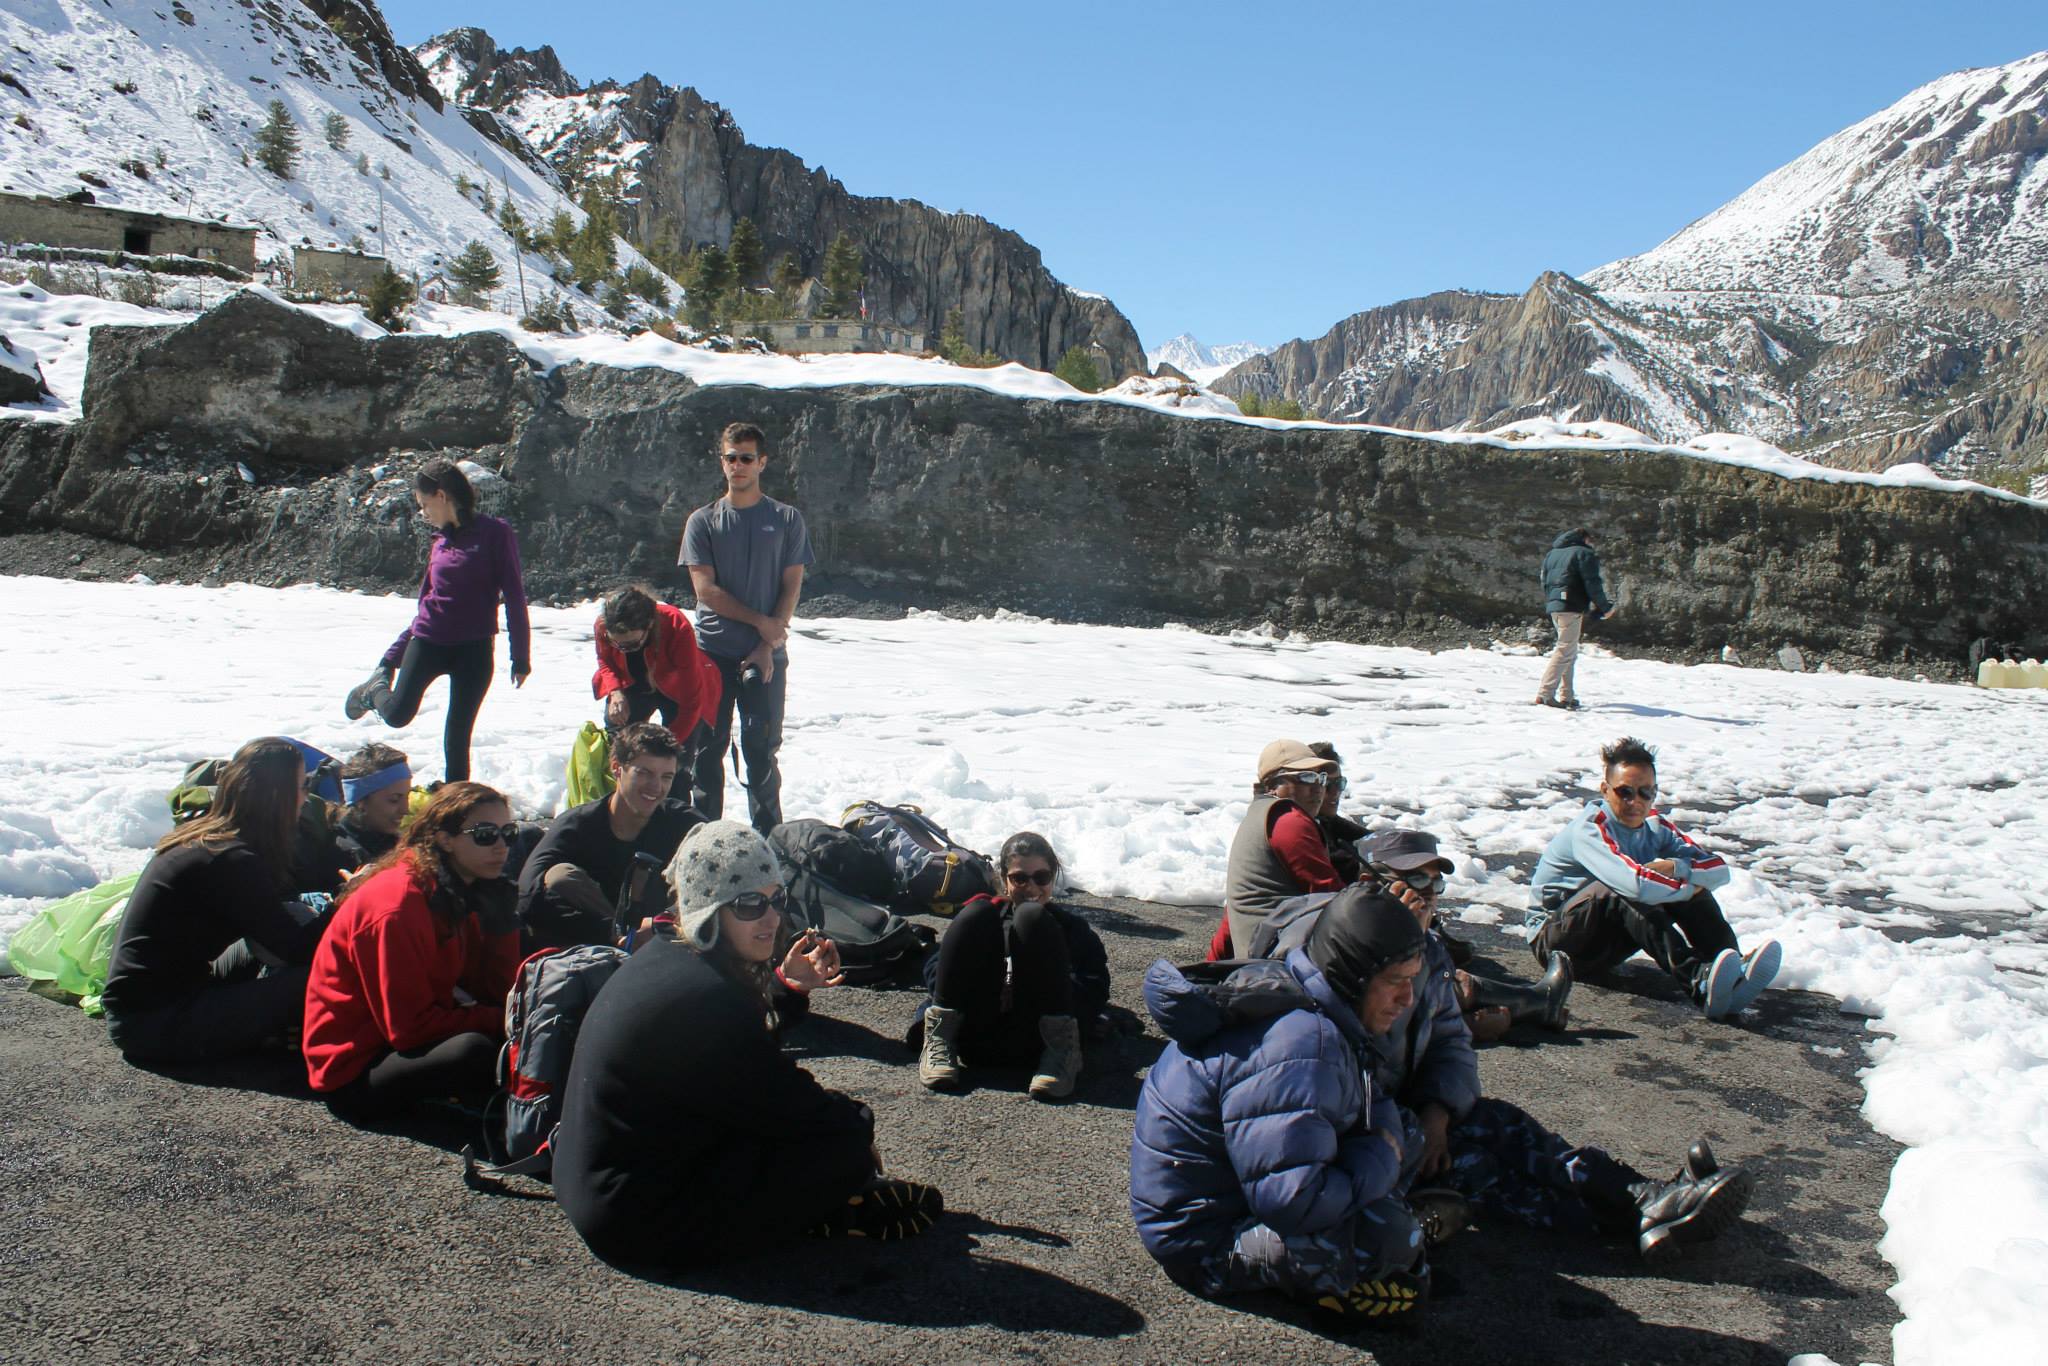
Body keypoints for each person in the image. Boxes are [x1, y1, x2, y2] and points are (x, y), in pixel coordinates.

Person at [552, 821, 942, 1270]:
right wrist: (857, 1126)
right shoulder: (706, 993)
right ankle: (820, 1208)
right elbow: (783, 1101)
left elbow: (739, 1062)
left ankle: (820, 1205)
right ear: (707, 909)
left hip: (594, 1181)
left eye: (777, 898)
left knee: (805, 1133)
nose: (772, 917)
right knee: (837, 1150)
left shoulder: (670, 956)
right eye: (750, 903)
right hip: (637, 1220)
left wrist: (787, 989)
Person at [1343, 867, 1757, 1267]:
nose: (1428, 893)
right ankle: (1644, 1210)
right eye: (1415, 880)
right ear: (1371, 885)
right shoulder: (1350, 957)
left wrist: (1436, 1112)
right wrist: (1415, 1132)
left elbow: (1449, 1042)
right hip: (1372, 1137)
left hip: (1408, 1111)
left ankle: (1645, 1198)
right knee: (1479, 1170)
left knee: (1501, 1124)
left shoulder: (1427, 952)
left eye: (1436, 880)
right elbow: (1362, 1064)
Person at [1131, 886, 1434, 1328]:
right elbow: (1292, 1202)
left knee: (1408, 1133)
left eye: (1413, 979)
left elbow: (1374, 1097)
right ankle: (1343, 1282)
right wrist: (1381, 1156)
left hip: (1245, 1190)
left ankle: (1371, 1258)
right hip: (1204, 1240)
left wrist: (1384, 1146)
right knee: (1389, 1234)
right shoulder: (1303, 1044)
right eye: (1395, 982)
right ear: (1354, 974)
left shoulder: (1323, 1007)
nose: (1408, 999)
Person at [102, 737, 332, 1065]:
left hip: (150, 1003)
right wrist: (348, 901)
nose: (305, 796)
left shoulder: (211, 840)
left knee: (269, 945)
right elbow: (297, 948)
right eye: (300, 786)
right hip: (153, 1021)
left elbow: (272, 923)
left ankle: (263, 1026)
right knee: (318, 976)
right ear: (276, 797)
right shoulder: (231, 860)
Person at [302, 781, 523, 1119]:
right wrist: (505, 1021)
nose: (501, 847)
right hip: (354, 1066)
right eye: (484, 834)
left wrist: (501, 929)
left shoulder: (458, 886)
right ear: (444, 839)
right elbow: (408, 1030)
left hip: (401, 1033)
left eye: (508, 833)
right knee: (475, 1050)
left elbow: (491, 989)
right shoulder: (398, 906)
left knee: (515, 1039)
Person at [1528, 736, 1782, 1019]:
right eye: (1624, 792)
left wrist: (1677, 868)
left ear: (1655, 792)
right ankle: (1696, 978)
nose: (1635, 801)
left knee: (1679, 881)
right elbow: (1633, 884)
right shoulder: (1590, 829)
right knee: (1626, 889)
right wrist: (1689, 888)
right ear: (1605, 790)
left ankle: (1729, 973)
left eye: (1645, 792)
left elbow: (1719, 870)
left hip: (1607, 944)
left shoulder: (1656, 826)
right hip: (1556, 946)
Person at [343, 458, 531, 782]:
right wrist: (391, 658)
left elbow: (514, 595)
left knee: (458, 737)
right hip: (430, 643)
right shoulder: (438, 543)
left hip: (474, 650)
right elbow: (425, 608)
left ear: (442, 496)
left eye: (424, 504)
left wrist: (520, 656)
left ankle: (455, 809)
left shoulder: (495, 533)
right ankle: (374, 689)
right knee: (398, 715)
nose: (423, 513)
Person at [678, 422, 814, 832]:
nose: (738, 466)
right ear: (722, 462)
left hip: (765, 655)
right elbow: (705, 591)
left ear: (762, 463)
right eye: (731, 458)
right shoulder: (702, 522)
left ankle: (771, 842)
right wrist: (764, 626)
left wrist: (765, 644)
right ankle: (704, 837)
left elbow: (792, 583)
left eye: (746, 458)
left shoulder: (786, 519)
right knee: (708, 750)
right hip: (712, 654)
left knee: (761, 749)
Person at [914, 832, 1111, 1101]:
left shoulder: (1071, 929)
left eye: (1041, 878)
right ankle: (939, 1040)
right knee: (976, 911)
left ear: (1052, 878)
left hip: (1039, 1039)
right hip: (975, 1032)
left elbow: (1095, 985)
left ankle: (1063, 1056)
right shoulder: (985, 919)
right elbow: (937, 969)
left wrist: (1028, 984)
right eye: (1019, 878)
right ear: (1004, 880)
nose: (1031, 887)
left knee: (1031, 916)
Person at [517, 723, 704, 951]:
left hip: (665, 942)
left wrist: (662, 923)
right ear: (616, 767)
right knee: (559, 876)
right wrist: (611, 931)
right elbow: (526, 895)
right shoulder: (577, 825)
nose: (656, 787)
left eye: (666, 777)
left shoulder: (683, 822)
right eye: (644, 773)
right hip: (593, 945)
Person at [1216, 739, 1343, 958]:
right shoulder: (1288, 820)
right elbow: (1330, 894)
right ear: (1273, 785)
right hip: (1280, 964)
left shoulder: (1257, 816)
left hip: (1257, 962)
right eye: (1305, 777)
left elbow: (1236, 911)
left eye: (1321, 779)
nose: (1318, 788)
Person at [591, 584, 721, 788]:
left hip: (679, 689)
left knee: (675, 760)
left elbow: (691, 702)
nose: (623, 650)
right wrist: (615, 692)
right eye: (617, 644)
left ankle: (676, 809)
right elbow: (605, 661)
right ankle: (622, 803)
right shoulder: (604, 625)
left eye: (631, 645)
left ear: (649, 625)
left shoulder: (676, 624)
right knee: (618, 743)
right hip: (635, 683)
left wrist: (665, 748)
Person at [1533, 527, 1614, 711]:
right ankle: (1545, 694)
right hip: (1571, 606)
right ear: (1584, 538)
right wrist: (1604, 607)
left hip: (1556, 605)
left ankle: (1567, 696)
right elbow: (1592, 583)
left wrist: (1554, 600)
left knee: (1569, 650)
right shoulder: (1584, 553)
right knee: (1565, 649)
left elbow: (1544, 580)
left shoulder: (1552, 554)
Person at [333, 742, 413, 870]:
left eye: (407, 796)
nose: (405, 810)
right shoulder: (344, 855)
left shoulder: (394, 841)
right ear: (360, 802)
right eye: (394, 800)